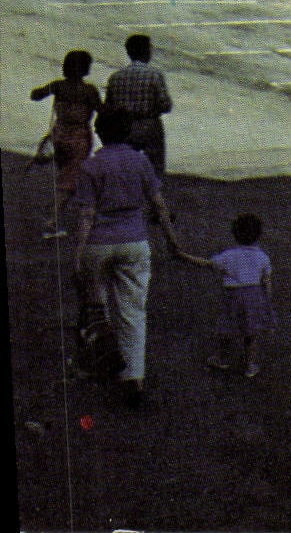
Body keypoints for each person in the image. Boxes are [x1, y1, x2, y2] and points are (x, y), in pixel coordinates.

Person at [70, 108, 188, 406]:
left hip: (98, 243)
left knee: (98, 306)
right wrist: (173, 243)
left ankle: (103, 359)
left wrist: (78, 254)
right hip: (135, 242)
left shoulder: (90, 167)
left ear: (99, 132)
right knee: (133, 312)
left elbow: (86, 215)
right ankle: (134, 377)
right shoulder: (141, 162)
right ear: (128, 133)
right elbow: (159, 206)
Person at [180, 212, 275, 378]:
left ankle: (222, 359)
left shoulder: (229, 256)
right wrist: (266, 299)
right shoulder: (263, 257)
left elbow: (207, 263)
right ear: (259, 236)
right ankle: (250, 365)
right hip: (254, 296)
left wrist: (184, 256)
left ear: (235, 234)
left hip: (234, 297)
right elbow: (266, 280)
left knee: (228, 329)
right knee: (251, 332)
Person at [31, 50, 105, 238]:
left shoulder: (58, 86)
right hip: (79, 137)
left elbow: (35, 95)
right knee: (70, 180)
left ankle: (69, 213)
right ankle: (54, 219)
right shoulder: (89, 91)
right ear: (85, 69)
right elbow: (103, 111)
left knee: (66, 176)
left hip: (60, 135)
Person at [105, 34, 172, 177]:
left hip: (123, 127)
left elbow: (108, 107)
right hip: (149, 125)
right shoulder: (154, 75)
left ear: (129, 52)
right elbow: (165, 105)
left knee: (125, 169)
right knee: (154, 169)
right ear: (147, 52)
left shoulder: (115, 77)